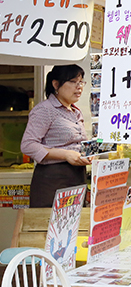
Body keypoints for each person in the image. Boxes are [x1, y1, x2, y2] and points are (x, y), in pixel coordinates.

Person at [21, 65, 90, 208]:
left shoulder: (76, 112)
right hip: (52, 179)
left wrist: (89, 154)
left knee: (74, 227)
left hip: (77, 177)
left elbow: (77, 144)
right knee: (49, 227)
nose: (79, 87)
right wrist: (65, 154)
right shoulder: (44, 110)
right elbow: (28, 145)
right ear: (56, 84)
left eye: (81, 82)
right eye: (73, 81)